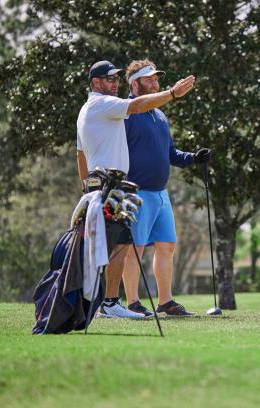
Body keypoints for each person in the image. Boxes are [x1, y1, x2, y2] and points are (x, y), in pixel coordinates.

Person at [76, 60, 195, 319]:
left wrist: (85, 187)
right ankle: (115, 302)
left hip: (115, 186)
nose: (114, 83)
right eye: (109, 79)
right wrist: (173, 93)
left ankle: (109, 302)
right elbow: (137, 105)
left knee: (117, 245)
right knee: (121, 246)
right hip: (118, 186)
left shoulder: (93, 108)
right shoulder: (105, 105)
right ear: (96, 82)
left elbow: (80, 154)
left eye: (116, 78)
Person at [120, 59, 211, 317]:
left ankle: (165, 302)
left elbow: (170, 153)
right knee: (134, 250)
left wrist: (193, 157)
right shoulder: (127, 111)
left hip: (160, 193)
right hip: (135, 193)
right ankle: (133, 303)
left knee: (167, 246)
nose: (155, 83)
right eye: (149, 80)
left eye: (156, 79)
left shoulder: (160, 115)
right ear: (134, 84)